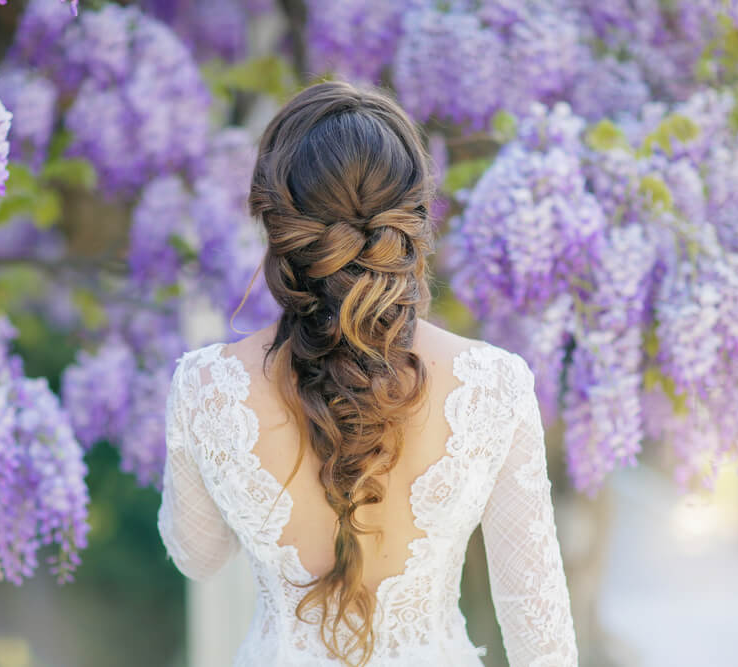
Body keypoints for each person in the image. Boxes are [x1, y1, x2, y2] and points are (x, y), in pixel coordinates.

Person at [157, 80, 578, 667]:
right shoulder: (495, 384)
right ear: (413, 217)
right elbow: (539, 630)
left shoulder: (205, 387)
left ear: (275, 222)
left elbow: (197, 555)